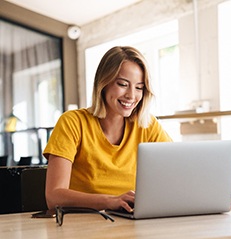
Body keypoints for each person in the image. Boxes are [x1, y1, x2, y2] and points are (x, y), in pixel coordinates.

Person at [43, 46, 172, 213]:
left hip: (131, 221)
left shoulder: (147, 125)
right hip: (84, 224)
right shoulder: (73, 122)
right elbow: (54, 197)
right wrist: (110, 201)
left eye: (139, 87)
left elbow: (176, 173)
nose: (131, 96)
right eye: (123, 84)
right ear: (103, 83)